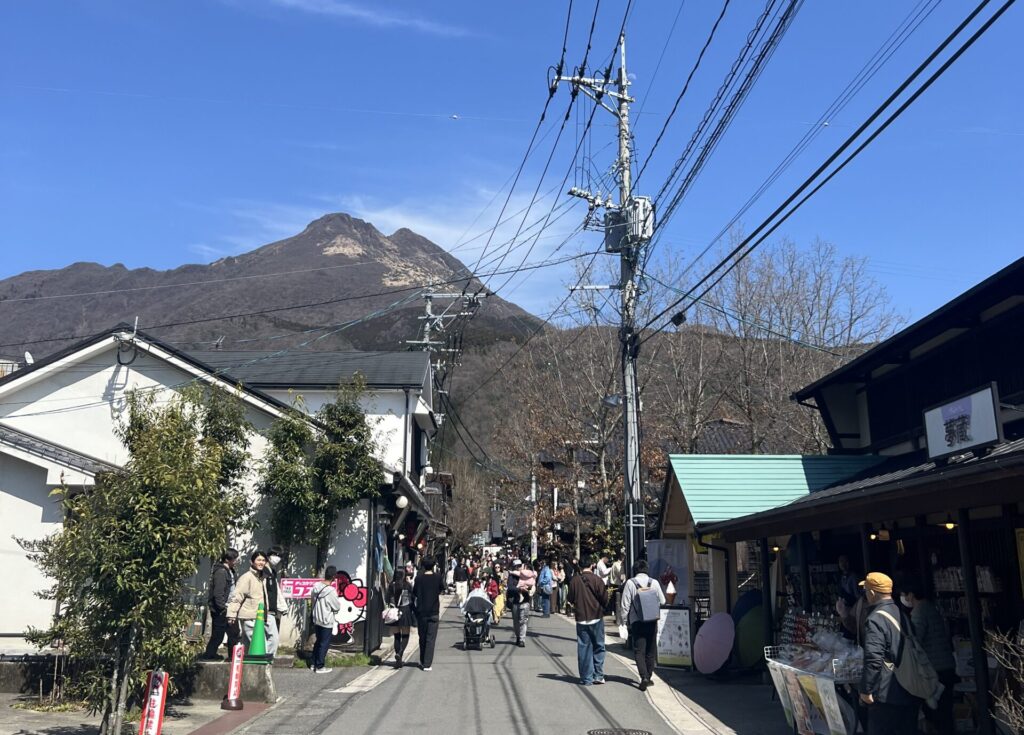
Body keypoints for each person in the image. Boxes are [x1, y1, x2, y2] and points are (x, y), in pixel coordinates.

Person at [858, 572, 920, 734]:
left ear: (872, 593)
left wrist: (866, 690)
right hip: (910, 687)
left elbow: (873, 659)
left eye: (866, 591)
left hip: (886, 693)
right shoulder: (902, 614)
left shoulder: (876, 619)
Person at [902, 579, 956, 735]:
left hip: (935, 668)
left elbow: (915, 640)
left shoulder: (919, 611)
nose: (904, 599)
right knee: (945, 710)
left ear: (911, 595)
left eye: (904, 595)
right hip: (946, 664)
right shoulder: (931, 607)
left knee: (937, 711)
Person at [620, 559, 666, 690]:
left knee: (639, 650)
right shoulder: (654, 582)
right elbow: (662, 601)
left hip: (637, 621)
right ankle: (649, 677)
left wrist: (624, 620)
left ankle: (644, 677)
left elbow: (625, 604)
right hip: (652, 620)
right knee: (650, 651)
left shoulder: (630, 583)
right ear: (647, 569)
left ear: (635, 570)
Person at [227, 550, 277, 657]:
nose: (261, 562)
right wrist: (231, 614)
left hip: (261, 616)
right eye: (258, 560)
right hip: (249, 617)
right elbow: (237, 597)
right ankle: (262, 671)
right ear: (252, 562)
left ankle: (258, 670)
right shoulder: (247, 577)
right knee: (259, 648)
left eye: (263, 560)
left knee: (256, 647)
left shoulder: (262, 577)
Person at [568, 555, 608, 686]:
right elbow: (604, 598)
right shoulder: (597, 580)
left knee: (584, 648)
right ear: (592, 565)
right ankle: (598, 675)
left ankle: (586, 678)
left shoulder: (574, 581)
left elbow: (570, 598)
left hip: (581, 619)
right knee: (599, 647)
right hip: (596, 616)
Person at [202, 548, 240, 660]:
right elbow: (218, 593)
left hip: (229, 607)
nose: (236, 561)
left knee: (233, 633)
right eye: (235, 558)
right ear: (228, 559)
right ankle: (209, 655)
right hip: (222, 609)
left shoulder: (230, 571)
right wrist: (222, 608)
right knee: (219, 635)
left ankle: (231, 657)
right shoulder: (221, 572)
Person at [412, 555, 442, 671]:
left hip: (421, 611)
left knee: (422, 637)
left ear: (423, 565)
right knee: (431, 638)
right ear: (434, 565)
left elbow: (414, 592)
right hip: (434, 611)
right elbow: (441, 588)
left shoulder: (419, 578)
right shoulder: (438, 577)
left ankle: (422, 660)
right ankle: (427, 664)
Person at [309, 566, 341, 674]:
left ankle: (313, 662)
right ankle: (320, 666)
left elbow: (312, 599)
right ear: (334, 577)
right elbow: (336, 606)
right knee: (324, 643)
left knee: (318, 641)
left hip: (316, 618)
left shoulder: (316, 586)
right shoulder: (331, 591)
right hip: (326, 619)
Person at [387, 568, 415, 668]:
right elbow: (412, 599)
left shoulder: (391, 585)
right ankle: (400, 653)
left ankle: (398, 657)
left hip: (394, 612)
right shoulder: (407, 585)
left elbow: (387, 599)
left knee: (397, 636)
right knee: (406, 636)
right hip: (405, 611)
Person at [263, 545, 287, 658]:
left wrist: (282, 606)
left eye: (279, 556)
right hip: (265, 611)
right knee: (273, 638)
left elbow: (276, 590)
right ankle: (267, 659)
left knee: (270, 638)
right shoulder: (263, 571)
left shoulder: (272, 572)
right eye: (275, 555)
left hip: (271, 610)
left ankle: (267, 659)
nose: (277, 558)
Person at [507, 560, 533, 647]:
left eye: (520, 565)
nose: (519, 567)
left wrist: (529, 589)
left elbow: (532, 584)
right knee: (516, 621)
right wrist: (519, 589)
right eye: (517, 566)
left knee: (523, 621)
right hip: (515, 601)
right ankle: (518, 636)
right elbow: (510, 588)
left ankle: (522, 639)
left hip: (525, 601)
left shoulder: (528, 575)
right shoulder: (512, 576)